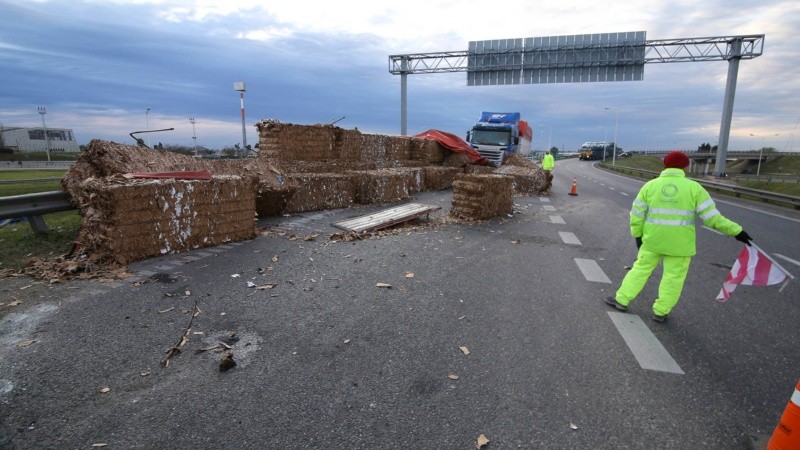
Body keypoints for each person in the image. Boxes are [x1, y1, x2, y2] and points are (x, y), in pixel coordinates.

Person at [605, 151, 752, 322]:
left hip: (652, 240)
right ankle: (660, 312)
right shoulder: (694, 188)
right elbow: (713, 219)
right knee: (673, 279)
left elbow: (636, 215)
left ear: (664, 165)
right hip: (680, 246)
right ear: (686, 166)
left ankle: (621, 300)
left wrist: (637, 236)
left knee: (640, 270)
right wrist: (737, 231)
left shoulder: (650, 186)